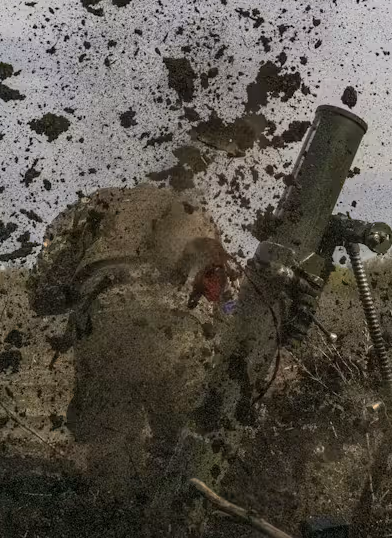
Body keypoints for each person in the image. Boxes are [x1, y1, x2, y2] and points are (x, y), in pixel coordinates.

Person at [27, 184, 239, 518]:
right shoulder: (190, 206)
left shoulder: (91, 206)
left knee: (110, 439)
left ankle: (116, 532)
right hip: (183, 321)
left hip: (107, 314)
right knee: (188, 437)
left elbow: (43, 290)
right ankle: (188, 524)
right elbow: (228, 297)